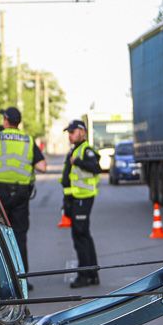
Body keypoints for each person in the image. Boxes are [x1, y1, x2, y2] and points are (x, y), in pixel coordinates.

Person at [0, 107, 47, 278]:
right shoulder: (28, 140)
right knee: (20, 236)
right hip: (21, 195)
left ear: (5, 120)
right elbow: (42, 167)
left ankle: (4, 276)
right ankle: (23, 277)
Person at [61, 119, 101, 288]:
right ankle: (92, 274)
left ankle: (85, 275)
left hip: (83, 199)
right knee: (82, 235)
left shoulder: (86, 150)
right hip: (75, 200)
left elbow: (96, 167)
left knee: (80, 236)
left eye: (72, 132)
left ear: (82, 132)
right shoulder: (74, 150)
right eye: (68, 133)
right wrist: (66, 201)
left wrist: (77, 161)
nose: (70, 135)